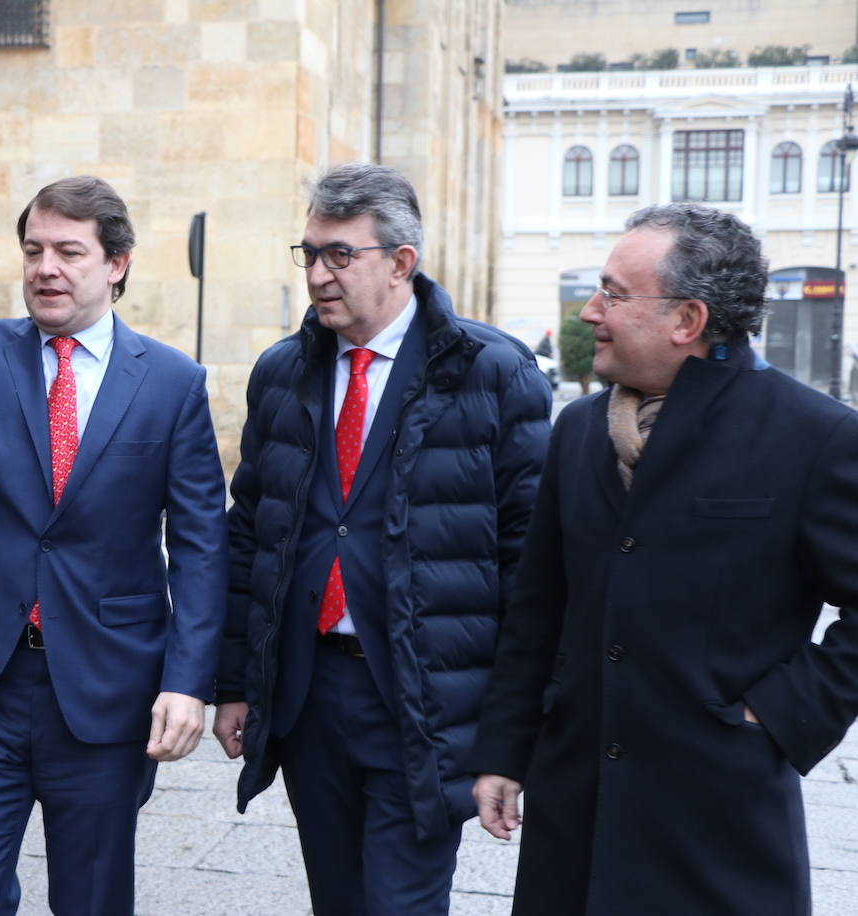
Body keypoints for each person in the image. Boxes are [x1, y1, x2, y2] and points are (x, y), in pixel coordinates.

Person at [0, 175, 228, 915]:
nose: (45, 267)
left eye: (68, 251)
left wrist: (189, 682)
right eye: (33, 250)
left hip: (106, 685)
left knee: (89, 898)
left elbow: (201, 547)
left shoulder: (172, 383)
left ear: (116, 264)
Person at [471, 202, 858, 914]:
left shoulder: (814, 435)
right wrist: (503, 750)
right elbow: (539, 605)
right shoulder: (580, 429)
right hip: (576, 810)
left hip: (718, 821)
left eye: (613, 294)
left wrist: (780, 712)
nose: (590, 312)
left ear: (688, 320)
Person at [211, 162, 550, 914]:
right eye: (309, 253)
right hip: (310, 696)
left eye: (341, 254)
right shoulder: (282, 373)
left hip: (424, 698)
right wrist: (234, 682)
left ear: (402, 263)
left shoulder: (491, 374)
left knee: (401, 904)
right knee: (338, 899)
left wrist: (511, 732)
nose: (319, 275)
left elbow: (531, 562)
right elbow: (250, 538)